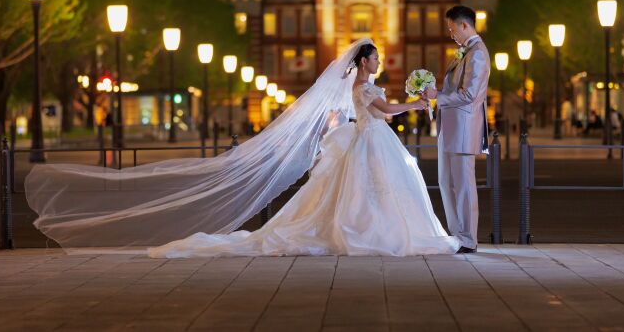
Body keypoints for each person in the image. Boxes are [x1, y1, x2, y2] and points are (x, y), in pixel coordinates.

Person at [27, 38, 458, 257]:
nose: (379, 62)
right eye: (375, 58)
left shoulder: (364, 85)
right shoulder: (363, 88)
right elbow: (385, 110)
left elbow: (383, 113)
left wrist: (411, 103)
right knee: (373, 191)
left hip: (370, 140)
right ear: (363, 61)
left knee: (365, 192)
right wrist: (416, 103)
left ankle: (367, 231)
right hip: (370, 140)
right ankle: (371, 233)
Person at [424, 6, 490, 254]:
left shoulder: (478, 53)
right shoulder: (466, 51)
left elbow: (469, 94)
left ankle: (468, 238)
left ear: (465, 25)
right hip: (451, 127)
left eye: (452, 29)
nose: (451, 34)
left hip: (463, 128)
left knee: (463, 185)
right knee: (446, 182)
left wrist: (438, 96)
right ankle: (456, 235)